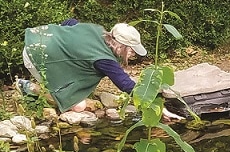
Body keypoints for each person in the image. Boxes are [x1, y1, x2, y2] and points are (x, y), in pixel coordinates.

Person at [20, 20, 180, 120]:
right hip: (35, 56)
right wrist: (157, 107)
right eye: (131, 50)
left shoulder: (96, 30)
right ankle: (29, 88)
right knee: (78, 107)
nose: (132, 54)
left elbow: (69, 23)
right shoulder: (105, 60)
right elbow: (126, 85)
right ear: (122, 46)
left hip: (37, 39)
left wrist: (64, 42)